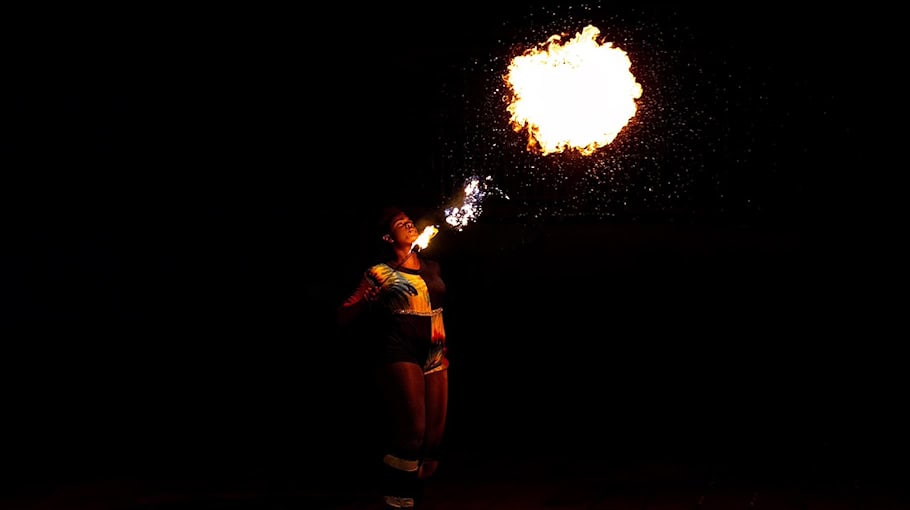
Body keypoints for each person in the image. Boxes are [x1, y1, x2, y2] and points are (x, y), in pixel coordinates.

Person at [337, 205, 450, 509]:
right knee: (412, 431)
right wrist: (365, 304)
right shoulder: (379, 272)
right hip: (399, 349)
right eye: (401, 224)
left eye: (410, 221)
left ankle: (410, 492)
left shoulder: (433, 267)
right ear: (388, 237)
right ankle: (397, 498)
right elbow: (343, 315)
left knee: (433, 441)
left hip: (436, 351)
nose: (410, 225)